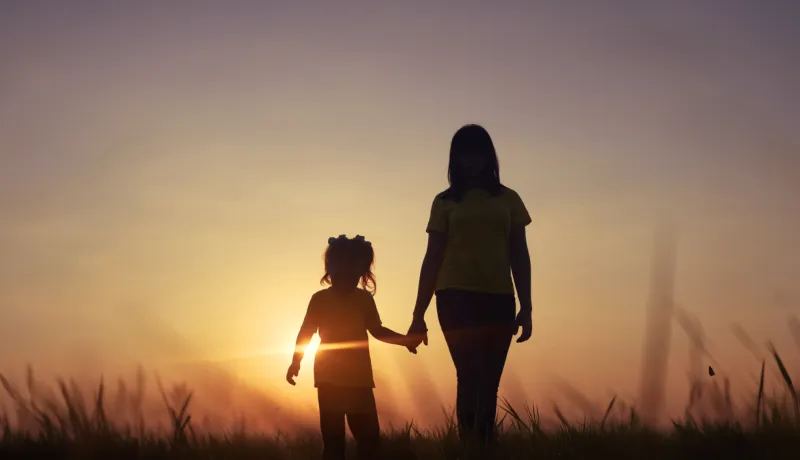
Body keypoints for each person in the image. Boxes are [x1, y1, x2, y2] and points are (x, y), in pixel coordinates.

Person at [406, 124, 534, 444]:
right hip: (455, 297)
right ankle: (468, 446)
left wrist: (527, 306)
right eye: (465, 154)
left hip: (499, 297)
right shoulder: (444, 202)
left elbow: (519, 254)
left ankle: (484, 446)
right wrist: (418, 314)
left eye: (478, 153)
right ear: (455, 159)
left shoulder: (509, 199)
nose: (472, 161)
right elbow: (432, 257)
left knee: (489, 381)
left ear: (489, 157)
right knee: (470, 373)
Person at [287, 234, 416, 460]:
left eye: (355, 273)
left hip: (359, 379)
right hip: (329, 379)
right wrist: (296, 361)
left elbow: (377, 330)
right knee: (334, 440)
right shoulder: (319, 300)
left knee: (368, 439)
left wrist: (404, 341)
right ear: (331, 270)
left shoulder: (363, 300)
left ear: (360, 272)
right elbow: (305, 332)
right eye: (342, 271)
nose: (349, 277)